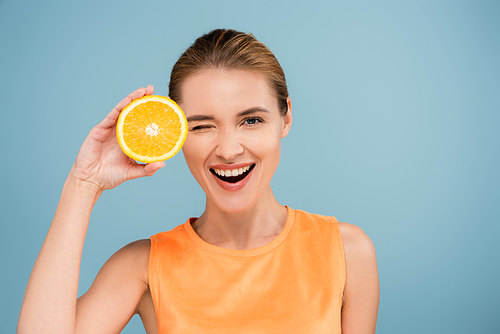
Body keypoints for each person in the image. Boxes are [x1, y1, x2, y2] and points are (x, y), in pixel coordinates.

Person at [18, 29, 379, 333]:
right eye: (202, 126)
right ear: (176, 134)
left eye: (251, 120)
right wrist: (83, 184)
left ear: (285, 119)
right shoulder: (141, 266)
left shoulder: (347, 252)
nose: (228, 149)